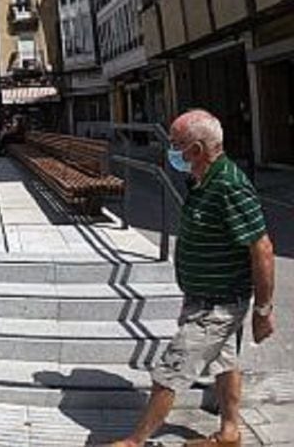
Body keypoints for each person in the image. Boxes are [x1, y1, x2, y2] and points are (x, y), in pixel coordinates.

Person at [108, 109, 275, 447]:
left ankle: (135, 442)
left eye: (175, 144)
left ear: (196, 150)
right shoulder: (204, 180)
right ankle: (230, 432)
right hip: (206, 297)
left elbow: (263, 249)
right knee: (225, 363)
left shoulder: (228, 185)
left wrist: (263, 310)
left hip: (217, 305)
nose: (169, 150)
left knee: (171, 370)